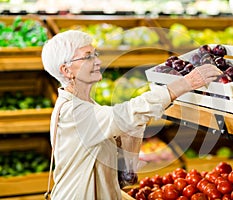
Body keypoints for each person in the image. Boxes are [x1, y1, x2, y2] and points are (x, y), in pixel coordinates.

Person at [41, 30, 222, 200]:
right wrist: (185, 83)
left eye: (95, 54)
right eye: (88, 57)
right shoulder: (74, 112)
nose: (97, 61)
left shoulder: (84, 103)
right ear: (66, 70)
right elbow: (128, 114)